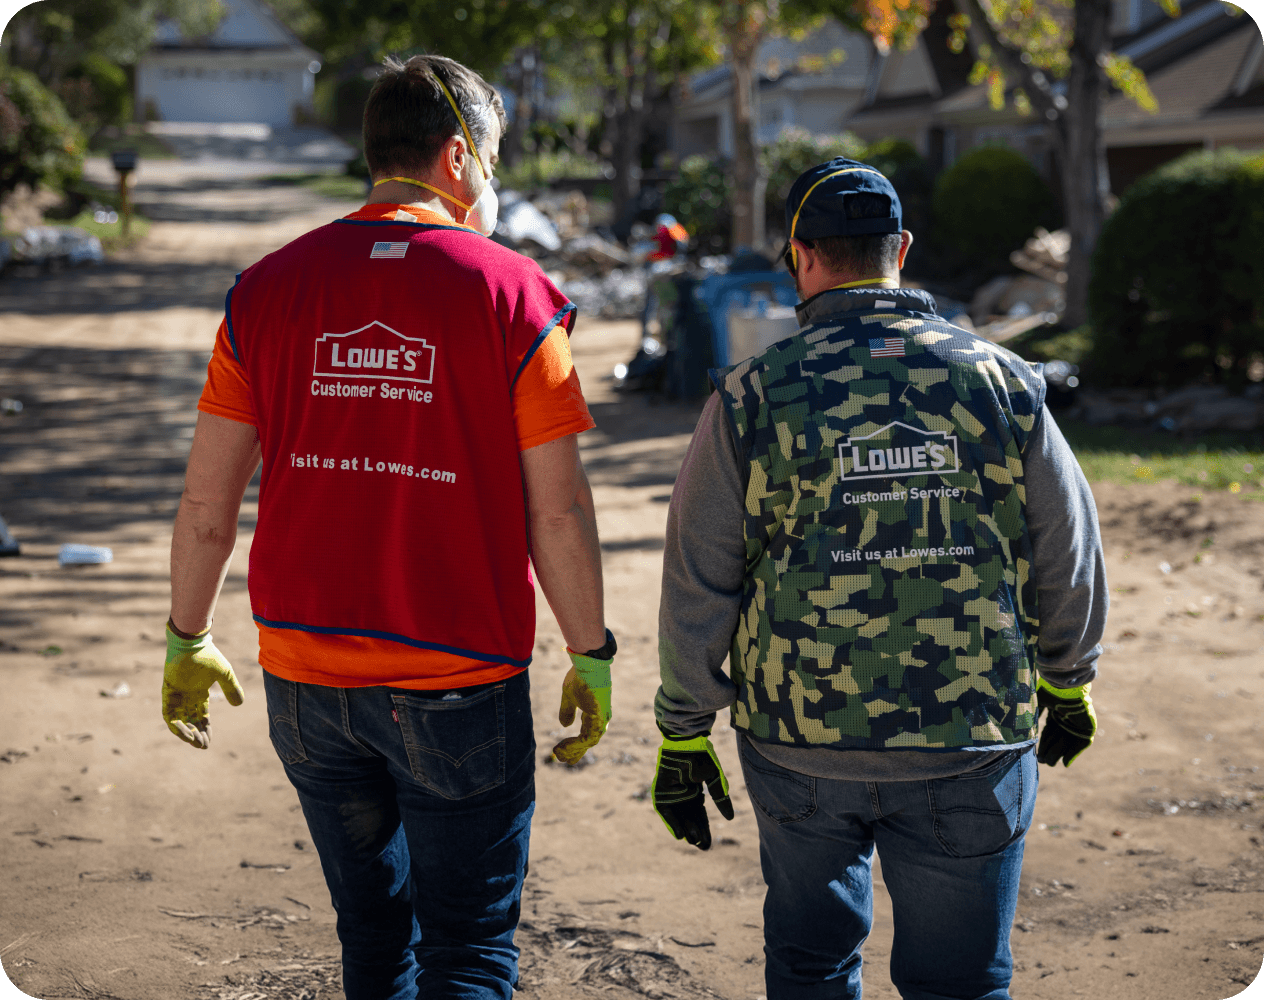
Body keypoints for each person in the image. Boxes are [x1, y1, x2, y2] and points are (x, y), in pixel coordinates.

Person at [160, 53, 616, 1000]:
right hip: (456, 681)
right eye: (491, 161)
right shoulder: (512, 293)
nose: (492, 182)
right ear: (458, 158)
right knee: (471, 949)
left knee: (373, 940)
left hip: (306, 677)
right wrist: (592, 648)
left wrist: (188, 637)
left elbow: (208, 503)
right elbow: (560, 507)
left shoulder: (266, 290)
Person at [649, 157, 1106, 1000]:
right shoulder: (1004, 383)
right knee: (960, 984)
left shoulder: (753, 395)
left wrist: (684, 729)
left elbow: (698, 574)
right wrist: (1069, 680)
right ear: (902, 246)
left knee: (813, 967)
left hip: (800, 740)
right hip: (970, 737)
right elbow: (1064, 549)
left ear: (799, 256)